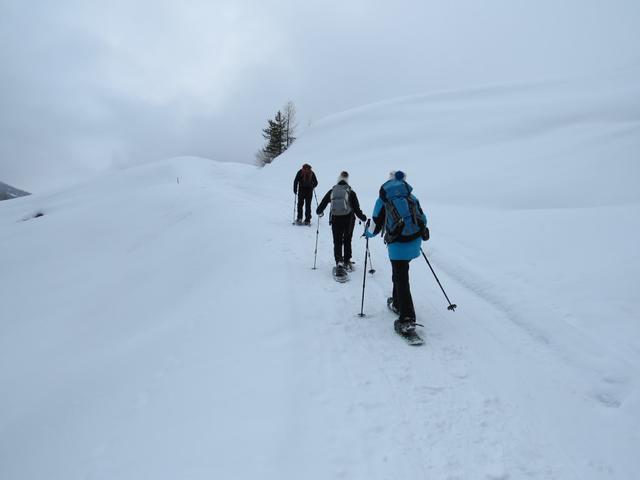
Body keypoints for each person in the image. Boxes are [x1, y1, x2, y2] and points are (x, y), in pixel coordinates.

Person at [364, 171, 429, 334]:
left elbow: (375, 224)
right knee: (400, 273)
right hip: (414, 240)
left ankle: (407, 318)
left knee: (401, 278)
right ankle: (397, 303)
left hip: (398, 244)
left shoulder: (384, 199)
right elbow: (423, 218)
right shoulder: (411, 197)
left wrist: (367, 233)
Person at [316, 171, 367, 270]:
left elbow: (323, 203)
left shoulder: (332, 190)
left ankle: (339, 261)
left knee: (337, 241)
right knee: (348, 240)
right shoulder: (351, 192)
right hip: (349, 219)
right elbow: (356, 208)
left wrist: (319, 211)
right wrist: (362, 217)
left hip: (335, 218)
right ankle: (347, 260)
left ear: (338, 180)